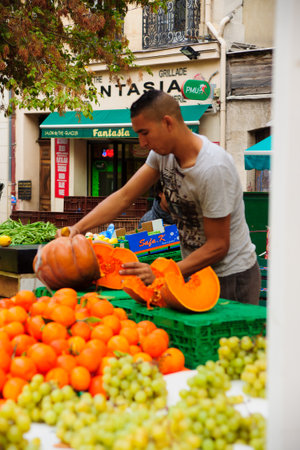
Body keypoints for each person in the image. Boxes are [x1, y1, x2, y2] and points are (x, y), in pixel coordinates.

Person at [59, 89, 261, 304]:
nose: (141, 142)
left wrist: (163, 272)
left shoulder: (213, 168)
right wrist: (78, 228)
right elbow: (124, 196)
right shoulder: (161, 155)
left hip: (231, 277)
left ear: (167, 122)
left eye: (144, 132)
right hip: (193, 271)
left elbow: (218, 246)